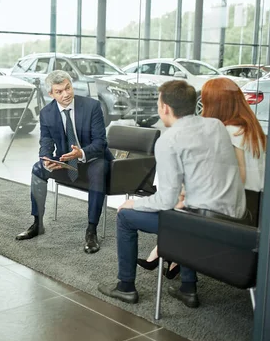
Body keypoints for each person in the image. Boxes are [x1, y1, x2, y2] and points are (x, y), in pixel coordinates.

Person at [98, 80, 246, 308]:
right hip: (233, 219)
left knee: (126, 217)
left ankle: (125, 287)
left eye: (159, 103)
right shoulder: (216, 126)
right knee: (182, 210)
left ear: (165, 108)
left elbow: (165, 200)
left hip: (202, 224)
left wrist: (134, 203)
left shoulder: (168, 140)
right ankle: (188, 288)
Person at [137, 77, 267, 274]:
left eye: (204, 102)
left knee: (185, 210)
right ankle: (170, 259)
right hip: (258, 205)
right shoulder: (252, 127)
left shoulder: (229, 131)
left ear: (216, 103)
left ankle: (170, 260)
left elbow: (234, 178)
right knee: (186, 203)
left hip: (239, 207)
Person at [15, 70, 113, 254]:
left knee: (99, 169)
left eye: (67, 88)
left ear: (71, 85)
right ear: (51, 94)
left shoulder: (92, 106)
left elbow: (101, 143)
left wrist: (80, 153)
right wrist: (45, 159)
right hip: (66, 161)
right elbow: (45, 141)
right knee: (37, 169)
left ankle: (91, 231)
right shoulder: (46, 113)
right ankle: (37, 223)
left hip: (92, 159)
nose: (66, 94)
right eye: (59, 91)